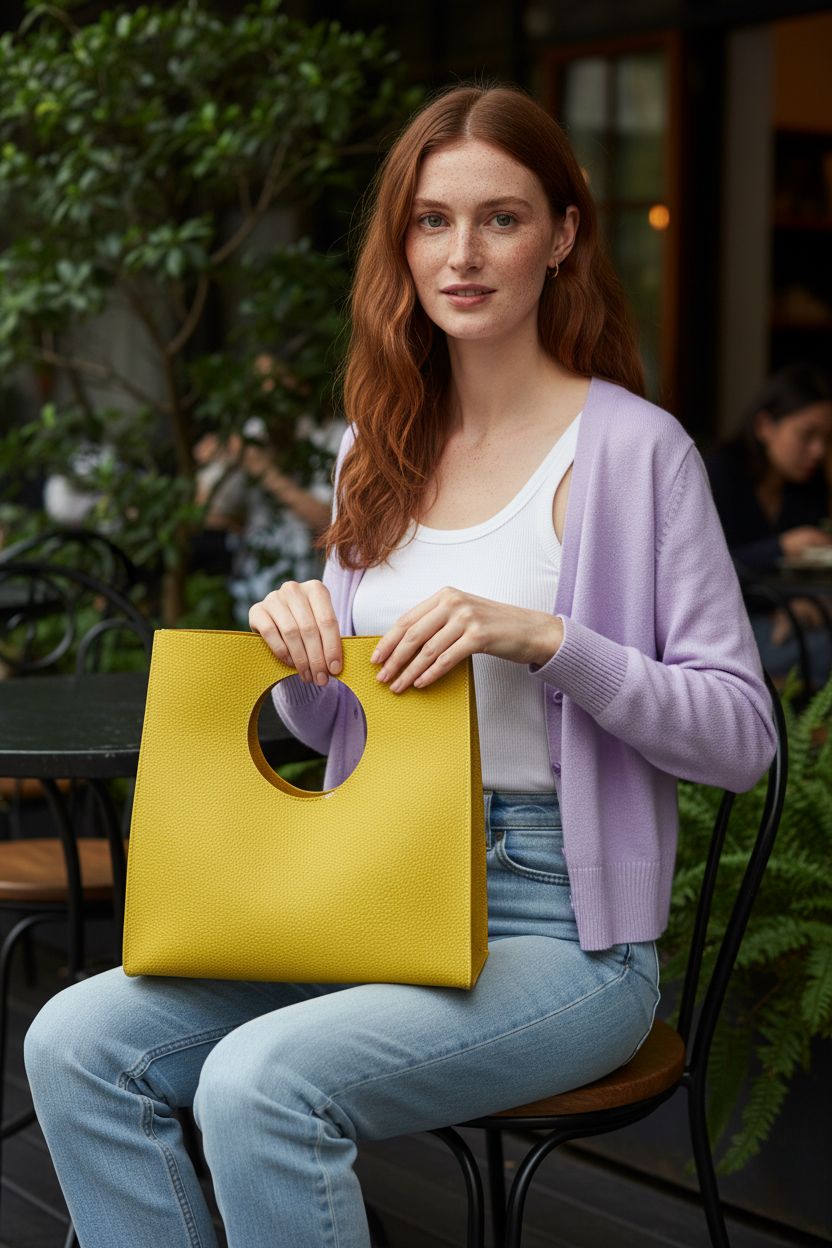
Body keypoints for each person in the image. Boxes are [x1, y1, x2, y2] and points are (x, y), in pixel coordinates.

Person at [24, 84, 776, 1248]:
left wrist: (545, 639)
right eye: (431, 221)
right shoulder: (378, 446)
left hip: (561, 933)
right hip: (360, 892)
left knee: (259, 1085)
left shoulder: (636, 453)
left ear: (564, 235)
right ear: (402, 243)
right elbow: (331, 735)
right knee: (72, 1041)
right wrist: (297, 650)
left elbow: (740, 740)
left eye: (500, 219)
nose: (461, 254)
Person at [705, 363, 832, 685]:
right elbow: (703, 569)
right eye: (807, 435)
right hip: (721, 626)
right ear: (765, 426)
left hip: (784, 617)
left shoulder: (808, 488)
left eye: (826, 439)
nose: (818, 451)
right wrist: (781, 547)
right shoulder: (717, 474)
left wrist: (808, 606)